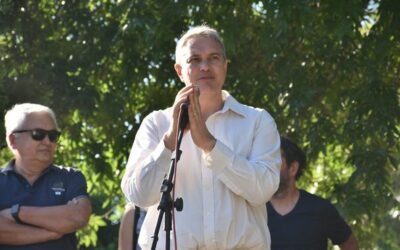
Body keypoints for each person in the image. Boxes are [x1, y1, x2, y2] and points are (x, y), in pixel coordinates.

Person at [121, 25, 281, 250]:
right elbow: (138, 196)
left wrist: (210, 146)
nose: (205, 67)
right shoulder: (156, 124)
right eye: (194, 59)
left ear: (225, 66)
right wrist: (168, 141)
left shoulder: (257, 121)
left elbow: (263, 190)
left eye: (213, 58)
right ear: (179, 71)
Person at [0, 103, 92, 249]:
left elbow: (78, 216)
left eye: (53, 136)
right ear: (12, 140)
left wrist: (16, 212)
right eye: (38, 134)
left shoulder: (70, 177)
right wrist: (49, 233)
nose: (48, 142)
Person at [267, 136, 359, 250]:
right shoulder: (253, 210)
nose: (267, 168)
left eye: (275, 162)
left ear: (293, 168)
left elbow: (349, 244)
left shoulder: (320, 209)